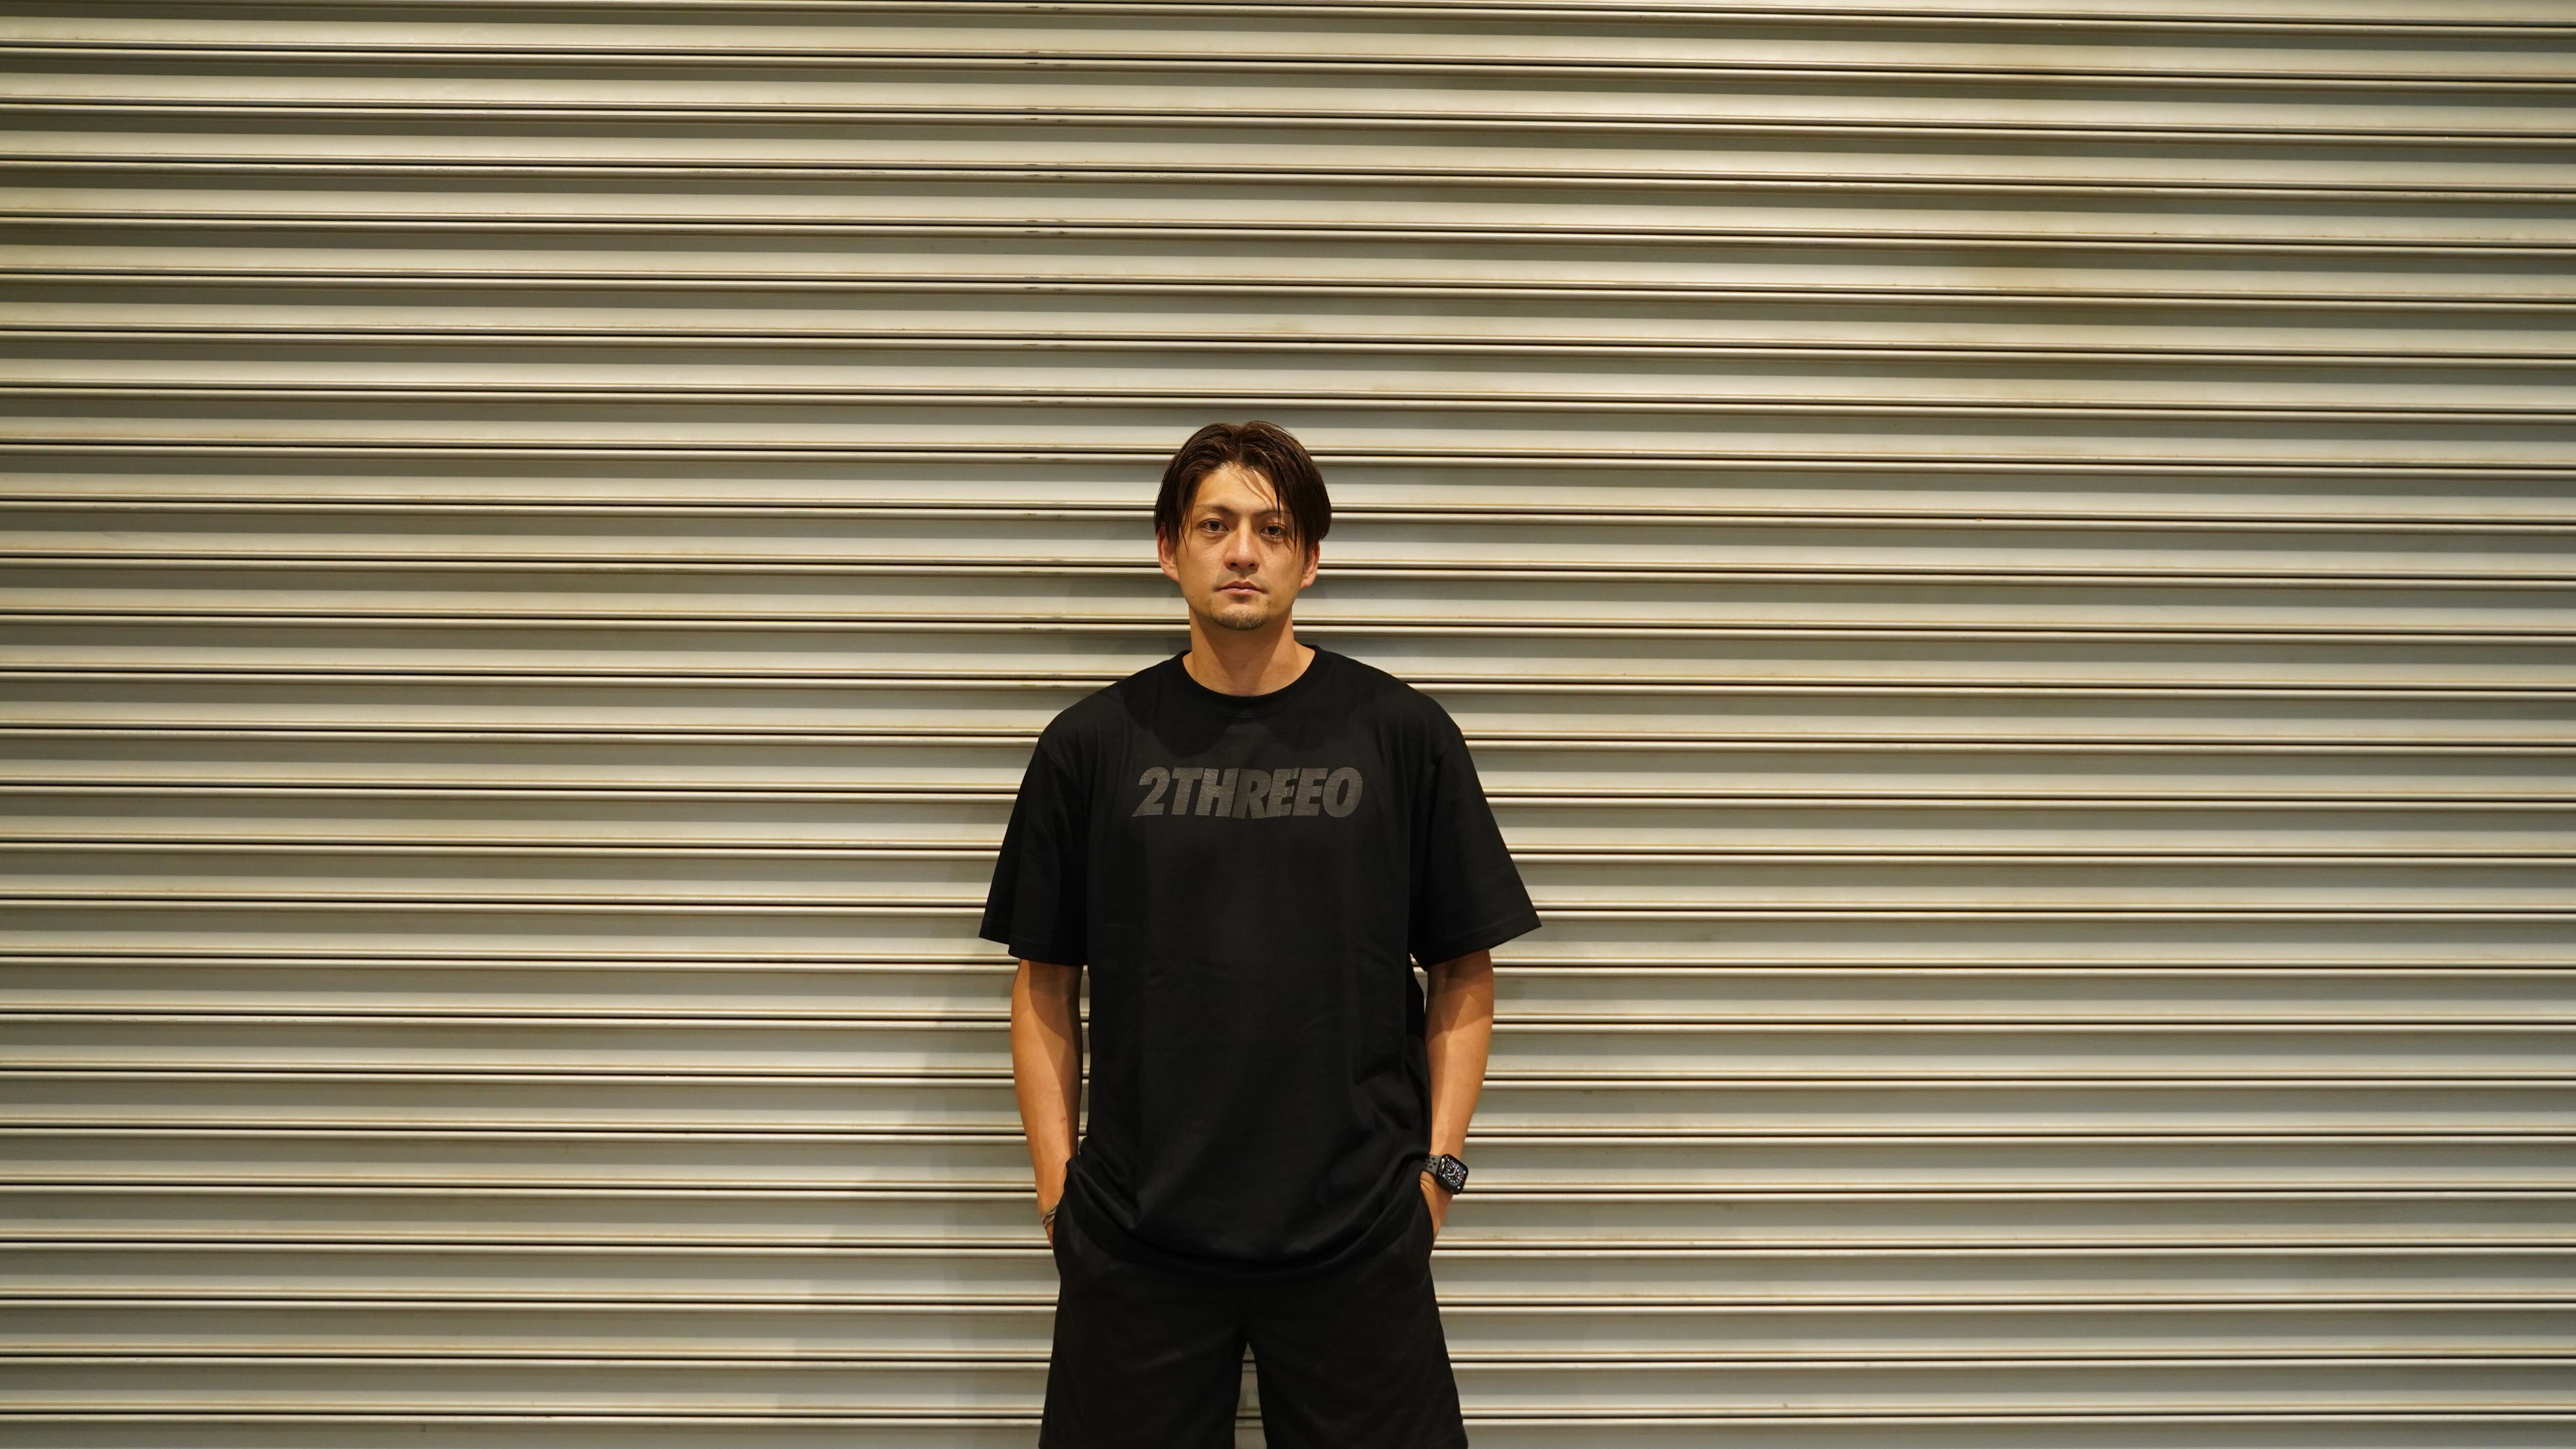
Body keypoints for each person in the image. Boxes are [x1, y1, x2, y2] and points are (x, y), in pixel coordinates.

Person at [980, 420, 1541, 1448]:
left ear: (1309, 558)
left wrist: (1437, 1178)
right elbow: (1043, 983)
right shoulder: (1090, 747)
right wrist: (1061, 1201)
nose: (1243, 551)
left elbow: (1464, 967)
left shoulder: (1401, 735)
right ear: (1169, 549)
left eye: (1273, 529)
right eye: (1215, 525)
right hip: (1138, 1243)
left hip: (1357, 1235)